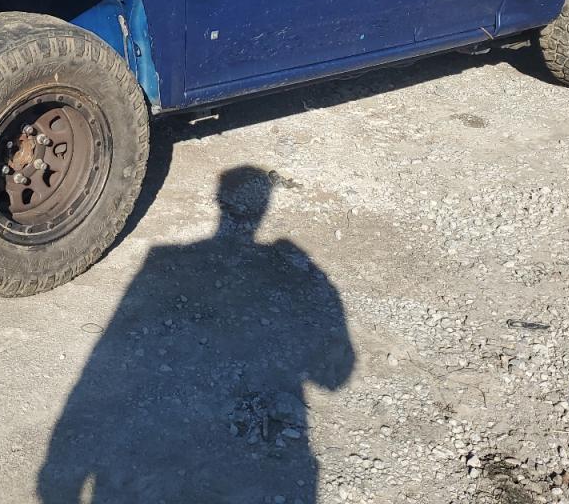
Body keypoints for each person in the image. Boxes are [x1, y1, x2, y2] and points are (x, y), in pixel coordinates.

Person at [38, 166, 355, 503]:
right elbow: (334, 377)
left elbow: (99, 366)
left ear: (219, 201)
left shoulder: (163, 261)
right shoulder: (285, 268)